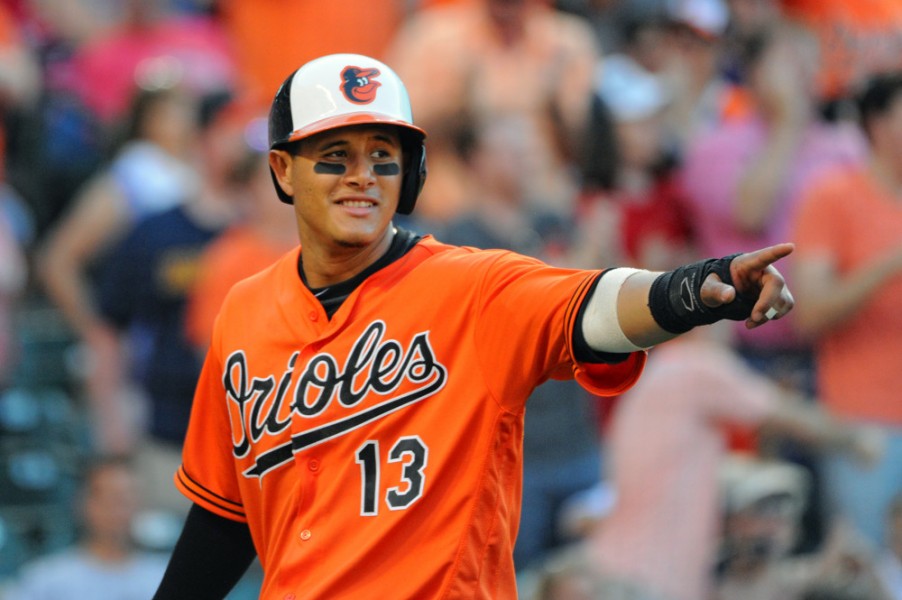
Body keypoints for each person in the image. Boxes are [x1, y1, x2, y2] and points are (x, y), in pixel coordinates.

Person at [152, 52, 795, 599]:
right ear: (283, 170)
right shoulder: (244, 309)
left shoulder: (474, 286)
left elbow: (591, 304)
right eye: (334, 155)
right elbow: (224, 509)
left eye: (383, 155)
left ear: (411, 174)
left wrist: (693, 292)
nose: (362, 176)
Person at [583, 323, 882, 600]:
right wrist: (857, 440)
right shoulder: (697, 364)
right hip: (648, 580)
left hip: (617, 570)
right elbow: (789, 417)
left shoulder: (662, 369)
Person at [790, 71, 902, 551]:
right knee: (864, 568)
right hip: (864, 420)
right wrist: (891, 264)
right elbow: (809, 313)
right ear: (877, 124)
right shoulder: (832, 196)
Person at [2, 454, 168, 600]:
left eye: (128, 499)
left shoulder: (164, 578)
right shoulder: (44, 580)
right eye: (110, 498)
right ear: (83, 503)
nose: (119, 510)